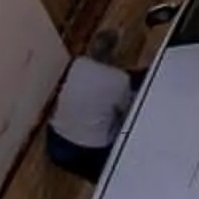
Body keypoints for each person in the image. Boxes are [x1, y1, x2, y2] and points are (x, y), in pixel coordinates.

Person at [45, 26, 136, 181]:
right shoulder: (120, 80)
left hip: (56, 146)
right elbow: (128, 114)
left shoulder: (78, 64)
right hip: (92, 152)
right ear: (115, 52)